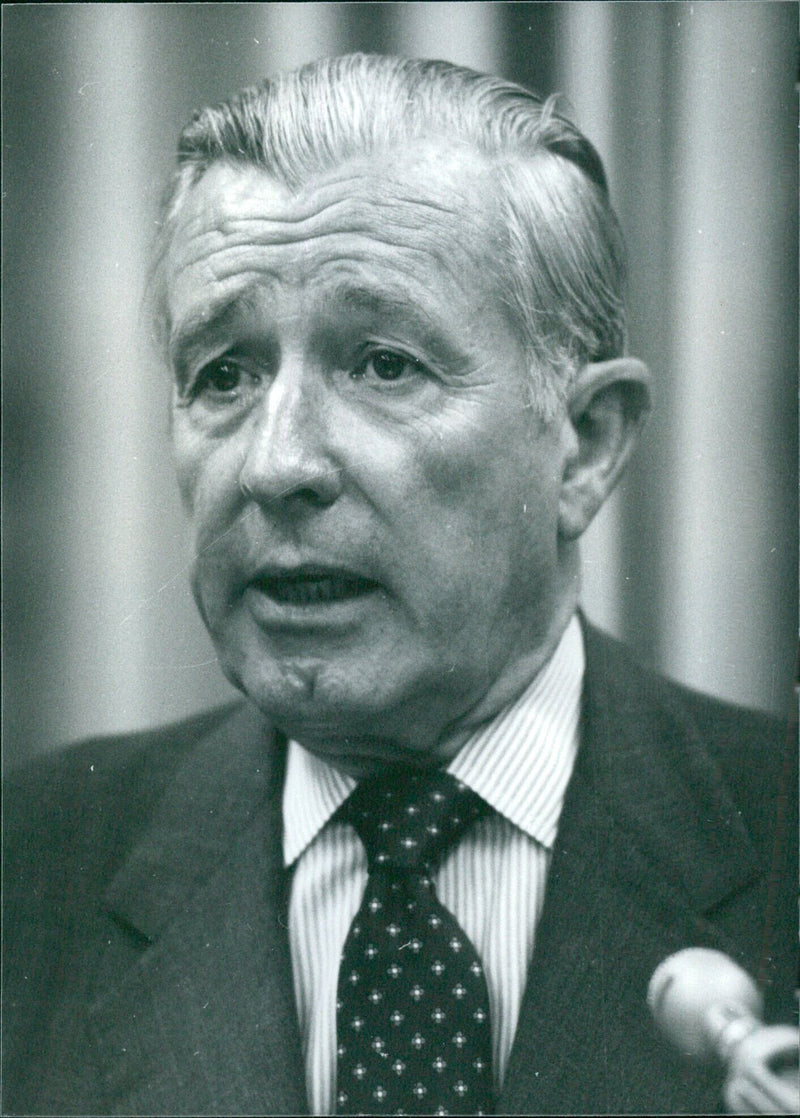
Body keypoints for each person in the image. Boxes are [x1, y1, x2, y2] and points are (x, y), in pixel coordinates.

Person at [3, 54, 796, 1117]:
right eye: (223, 374)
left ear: (583, 446)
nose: (278, 463)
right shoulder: (29, 874)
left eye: (383, 363)